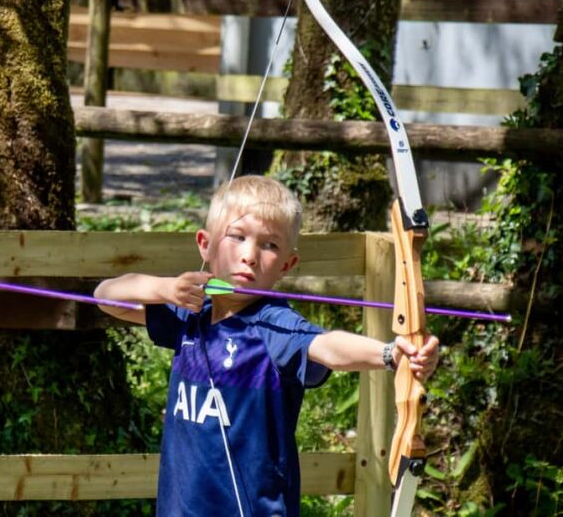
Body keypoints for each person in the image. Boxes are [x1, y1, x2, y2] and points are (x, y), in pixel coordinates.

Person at [94, 175, 439, 517]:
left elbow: (326, 346)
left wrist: (390, 354)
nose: (250, 256)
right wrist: (163, 289)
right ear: (206, 244)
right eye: (237, 237)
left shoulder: (274, 326)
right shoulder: (189, 314)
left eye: (270, 245)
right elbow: (107, 297)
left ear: (288, 265)